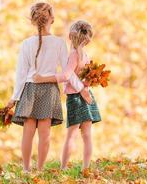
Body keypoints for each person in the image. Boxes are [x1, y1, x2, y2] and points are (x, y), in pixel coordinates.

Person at [6, 3, 91, 172]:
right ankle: (39, 169)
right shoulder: (59, 43)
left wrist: (14, 97)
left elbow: (21, 74)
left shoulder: (26, 43)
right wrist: (81, 88)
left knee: (28, 133)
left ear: (33, 20)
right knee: (44, 135)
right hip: (49, 90)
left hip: (29, 90)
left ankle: (26, 169)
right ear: (51, 19)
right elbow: (68, 72)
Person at [33, 20, 102, 170]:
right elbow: (87, 80)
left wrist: (44, 78)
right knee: (87, 135)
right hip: (87, 95)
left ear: (71, 36)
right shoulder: (86, 55)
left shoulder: (73, 55)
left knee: (71, 135)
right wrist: (86, 86)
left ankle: (63, 168)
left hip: (76, 99)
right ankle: (86, 168)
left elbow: (65, 75)